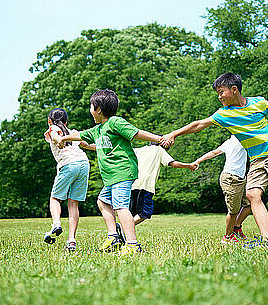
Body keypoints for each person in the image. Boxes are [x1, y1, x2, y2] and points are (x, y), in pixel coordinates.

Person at [160, 73, 268, 248]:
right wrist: (174, 133)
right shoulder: (224, 114)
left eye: (221, 92)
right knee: (253, 194)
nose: (219, 96)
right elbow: (199, 124)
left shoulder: (258, 102)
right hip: (257, 158)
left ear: (234, 89)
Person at [56, 89, 162, 255]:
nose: (90, 110)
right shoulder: (98, 130)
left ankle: (133, 244)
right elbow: (79, 135)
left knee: (120, 207)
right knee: (103, 201)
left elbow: (136, 133)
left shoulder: (115, 123)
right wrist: (63, 138)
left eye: (91, 106)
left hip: (122, 171)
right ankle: (114, 237)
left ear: (98, 109)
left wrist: (159, 139)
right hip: (112, 177)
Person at [43, 108, 95, 252]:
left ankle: (56, 223)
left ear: (49, 121)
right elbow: (86, 145)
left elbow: (54, 134)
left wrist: (59, 140)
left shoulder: (53, 128)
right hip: (83, 164)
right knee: (73, 204)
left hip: (68, 164)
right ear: (66, 121)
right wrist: (102, 149)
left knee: (55, 199)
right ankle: (71, 240)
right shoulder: (72, 132)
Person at [192, 135, 252, 243]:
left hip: (241, 178)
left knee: (250, 204)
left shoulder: (244, 139)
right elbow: (214, 153)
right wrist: (198, 161)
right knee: (233, 210)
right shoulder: (232, 141)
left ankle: (236, 228)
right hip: (230, 178)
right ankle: (227, 237)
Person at [130, 142, 197, 225]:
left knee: (131, 213)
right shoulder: (159, 150)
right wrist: (189, 166)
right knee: (144, 213)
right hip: (145, 185)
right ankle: (123, 227)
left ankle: (123, 232)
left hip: (132, 184)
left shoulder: (139, 150)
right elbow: (172, 163)